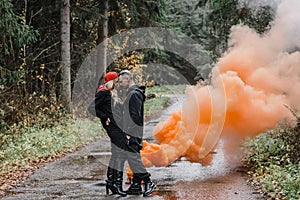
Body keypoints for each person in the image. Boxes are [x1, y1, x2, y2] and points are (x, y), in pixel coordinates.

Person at [88, 71, 127, 197]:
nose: (117, 84)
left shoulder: (109, 92)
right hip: (112, 128)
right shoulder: (103, 92)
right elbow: (91, 108)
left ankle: (112, 183)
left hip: (117, 126)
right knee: (120, 154)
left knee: (117, 154)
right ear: (111, 81)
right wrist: (104, 117)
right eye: (116, 81)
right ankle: (116, 184)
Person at [118, 70, 156, 197]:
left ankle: (148, 181)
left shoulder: (134, 94)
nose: (119, 84)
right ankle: (135, 185)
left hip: (133, 132)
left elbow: (135, 116)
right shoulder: (132, 93)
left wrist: (128, 132)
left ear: (128, 79)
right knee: (133, 158)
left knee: (133, 158)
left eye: (121, 81)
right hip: (132, 132)